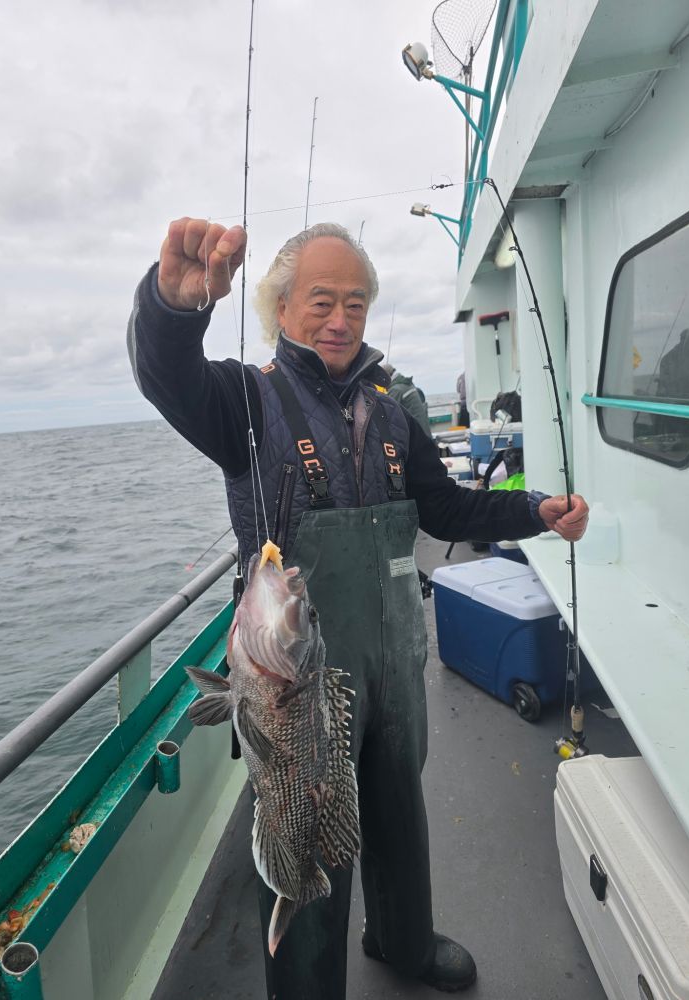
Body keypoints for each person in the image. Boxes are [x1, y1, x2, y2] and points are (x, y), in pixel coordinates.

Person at [127, 219, 589, 999]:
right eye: (320, 301)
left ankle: (403, 939)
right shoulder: (245, 400)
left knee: (400, 800)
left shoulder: (392, 411)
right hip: (299, 676)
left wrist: (533, 510)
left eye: (354, 303)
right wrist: (175, 306)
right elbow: (168, 375)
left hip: (396, 655)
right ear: (279, 307)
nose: (340, 320)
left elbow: (444, 510)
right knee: (310, 817)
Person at [382, 362, 433, 437]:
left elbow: (388, 413)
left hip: (416, 433)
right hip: (424, 429)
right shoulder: (407, 384)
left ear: (386, 377)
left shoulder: (395, 390)